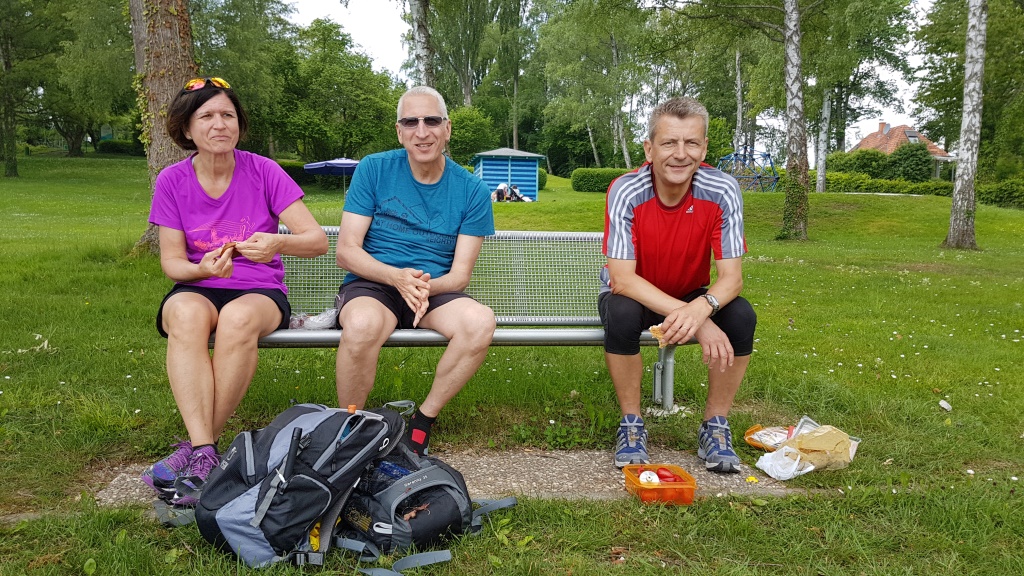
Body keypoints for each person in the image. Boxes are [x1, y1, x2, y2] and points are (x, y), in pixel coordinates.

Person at [141, 77, 329, 505]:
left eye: (228, 115)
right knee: (185, 315)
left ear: (239, 124)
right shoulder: (172, 180)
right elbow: (172, 263)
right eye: (206, 116)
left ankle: (196, 450)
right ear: (186, 128)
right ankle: (206, 450)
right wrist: (200, 268)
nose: (219, 124)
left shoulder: (264, 170)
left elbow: (316, 240)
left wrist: (277, 243)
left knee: (238, 318)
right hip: (199, 286)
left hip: (259, 291)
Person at [335, 86, 496, 456]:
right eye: (411, 122)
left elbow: (460, 276)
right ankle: (349, 428)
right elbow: (347, 251)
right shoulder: (374, 169)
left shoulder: (472, 189)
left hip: (433, 288)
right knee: (361, 325)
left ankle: (423, 421)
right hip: (374, 282)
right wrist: (397, 278)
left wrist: (420, 287)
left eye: (431, 121)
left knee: (480, 322)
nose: (422, 132)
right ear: (399, 131)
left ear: (447, 128)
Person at [599, 97, 756, 473]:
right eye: (669, 142)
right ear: (649, 149)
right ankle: (632, 424)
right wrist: (700, 321)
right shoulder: (626, 190)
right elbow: (622, 279)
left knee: (741, 317)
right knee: (620, 314)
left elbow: (732, 278)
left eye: (691, 143)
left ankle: (715, 426)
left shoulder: (722, 189)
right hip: (634, 292)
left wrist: (702, 309)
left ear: (704, 148)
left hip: (690, 293)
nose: (681, 154)